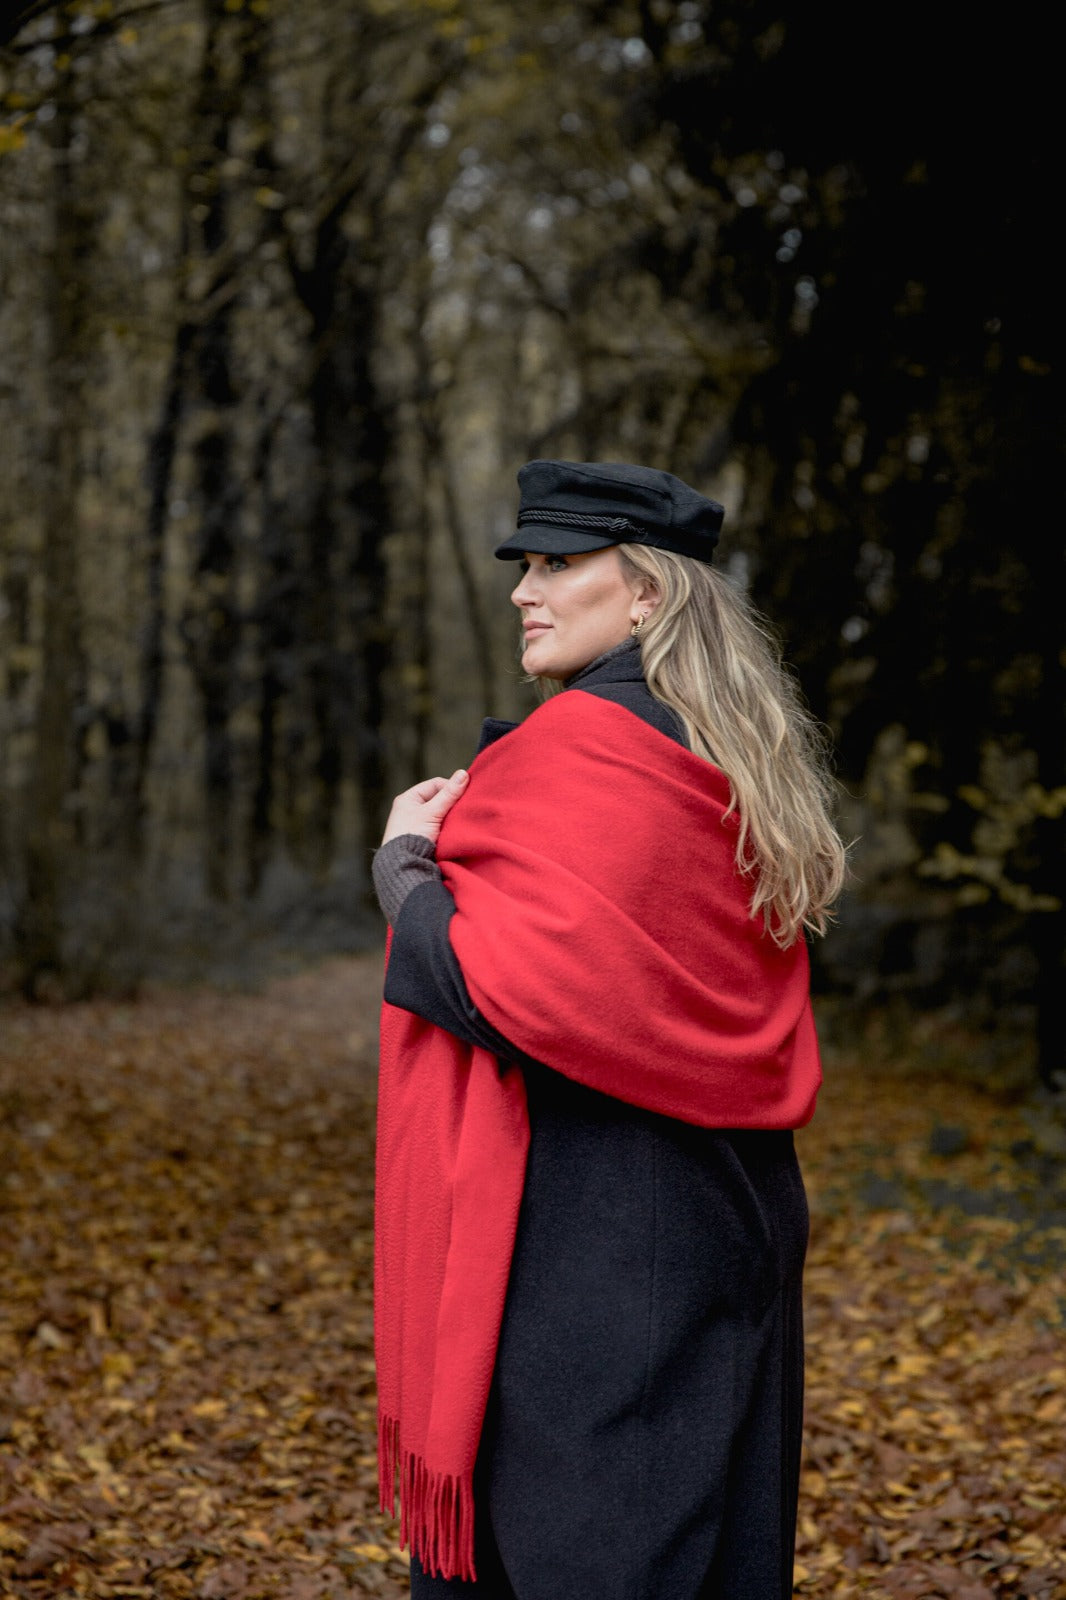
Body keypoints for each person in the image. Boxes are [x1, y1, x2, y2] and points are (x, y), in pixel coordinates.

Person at [371, 459, 847, 1600]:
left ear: (645, 595)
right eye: (525, 565)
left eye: (558, 563)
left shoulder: (579, 749)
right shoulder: (723, 753)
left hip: (595, 1239)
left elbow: (500, 988)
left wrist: (401, 869)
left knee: (587, 1560)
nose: (527, 590)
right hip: (726, 1213)